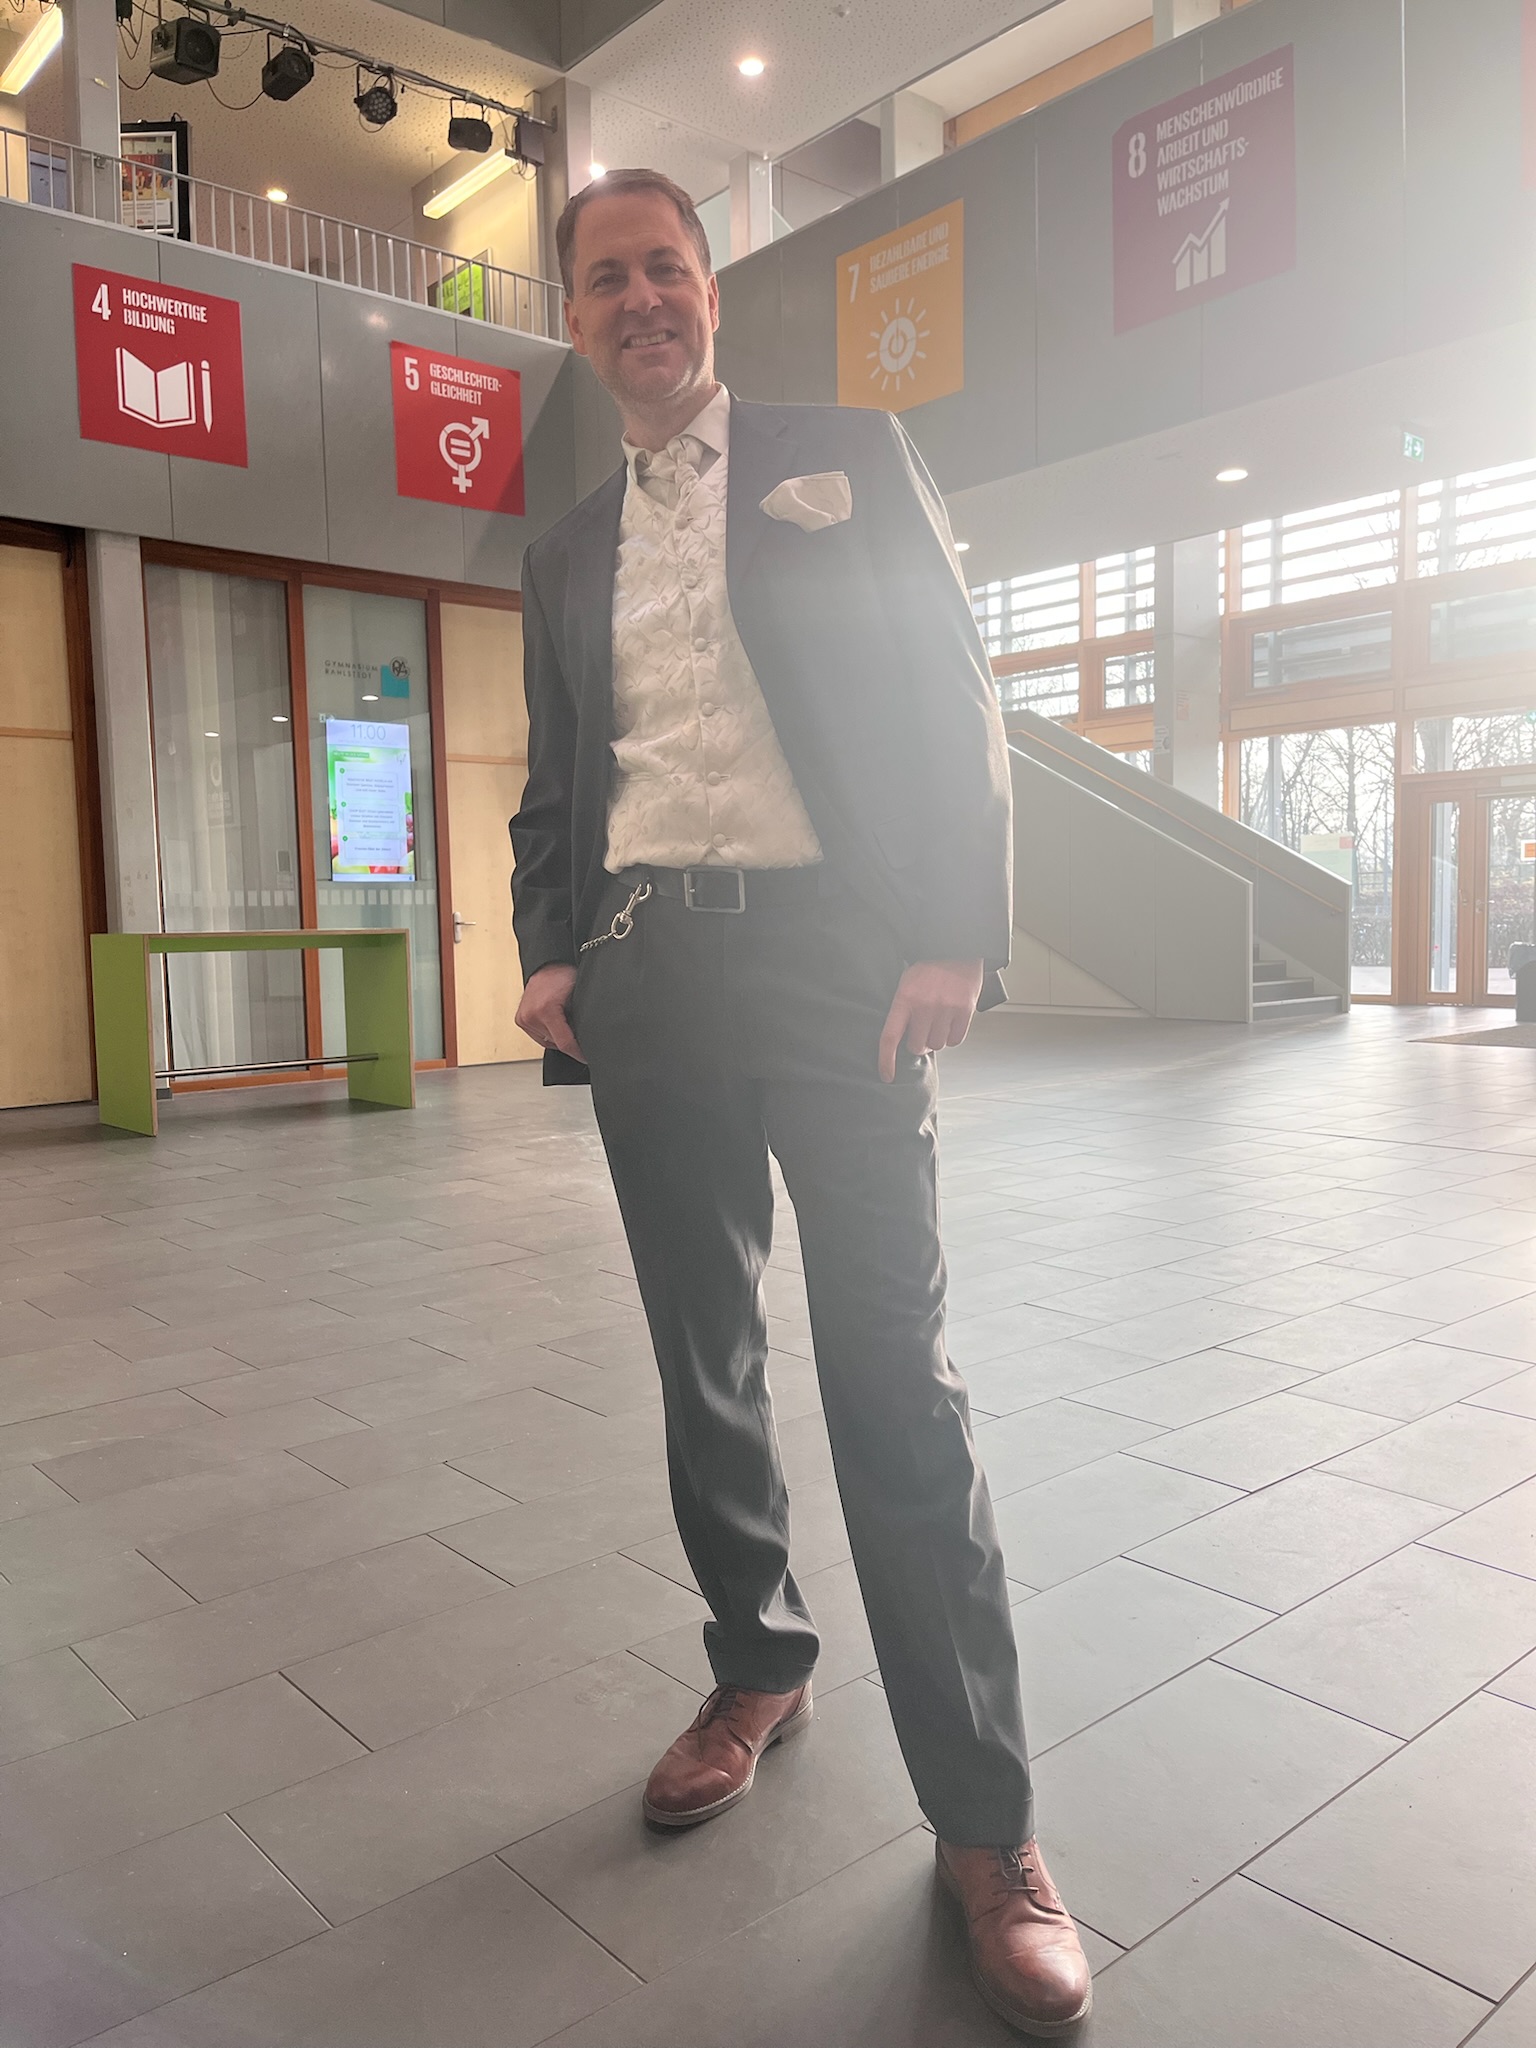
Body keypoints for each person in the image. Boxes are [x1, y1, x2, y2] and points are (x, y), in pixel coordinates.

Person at [510, 166, 1091, 2038]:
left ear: (710, 288)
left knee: (893, 1378)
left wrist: (955, 930)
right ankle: (757, 1663)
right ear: (572, 317)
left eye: (666, 268)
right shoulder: (564, 551)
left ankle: (987, 1827)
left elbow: (954, 693)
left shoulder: (845, 456)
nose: (641, 300)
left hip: (842, 970)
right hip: (652, 982)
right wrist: (548, 946)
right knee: (702, 1353)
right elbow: (557, 781)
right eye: (606, 279)